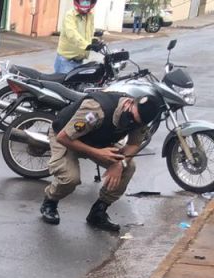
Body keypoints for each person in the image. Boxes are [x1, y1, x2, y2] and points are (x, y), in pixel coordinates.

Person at [39, 92, 163, 232]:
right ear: (129, 102)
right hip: (66, 137)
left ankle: (98, 212)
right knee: (70, 179)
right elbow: (63, 138)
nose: (131, 123)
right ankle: (50, 201)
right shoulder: (96, 110)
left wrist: (119, 164)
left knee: (128, 167)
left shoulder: (139, 120)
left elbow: (134, 144)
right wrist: (97, 153)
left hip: (98, 141)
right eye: (131, 117)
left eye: (136, 122)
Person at [55, 0, 97, 74]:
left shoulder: (90, 16)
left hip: (79, 61)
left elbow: (89, 33)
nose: (85, 3)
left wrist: (95, 41)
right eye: (83, 1)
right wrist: (87, 45)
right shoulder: (70, 15)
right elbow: (72, 34)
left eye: (87, 1)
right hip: (66, 61)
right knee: (65, 85)